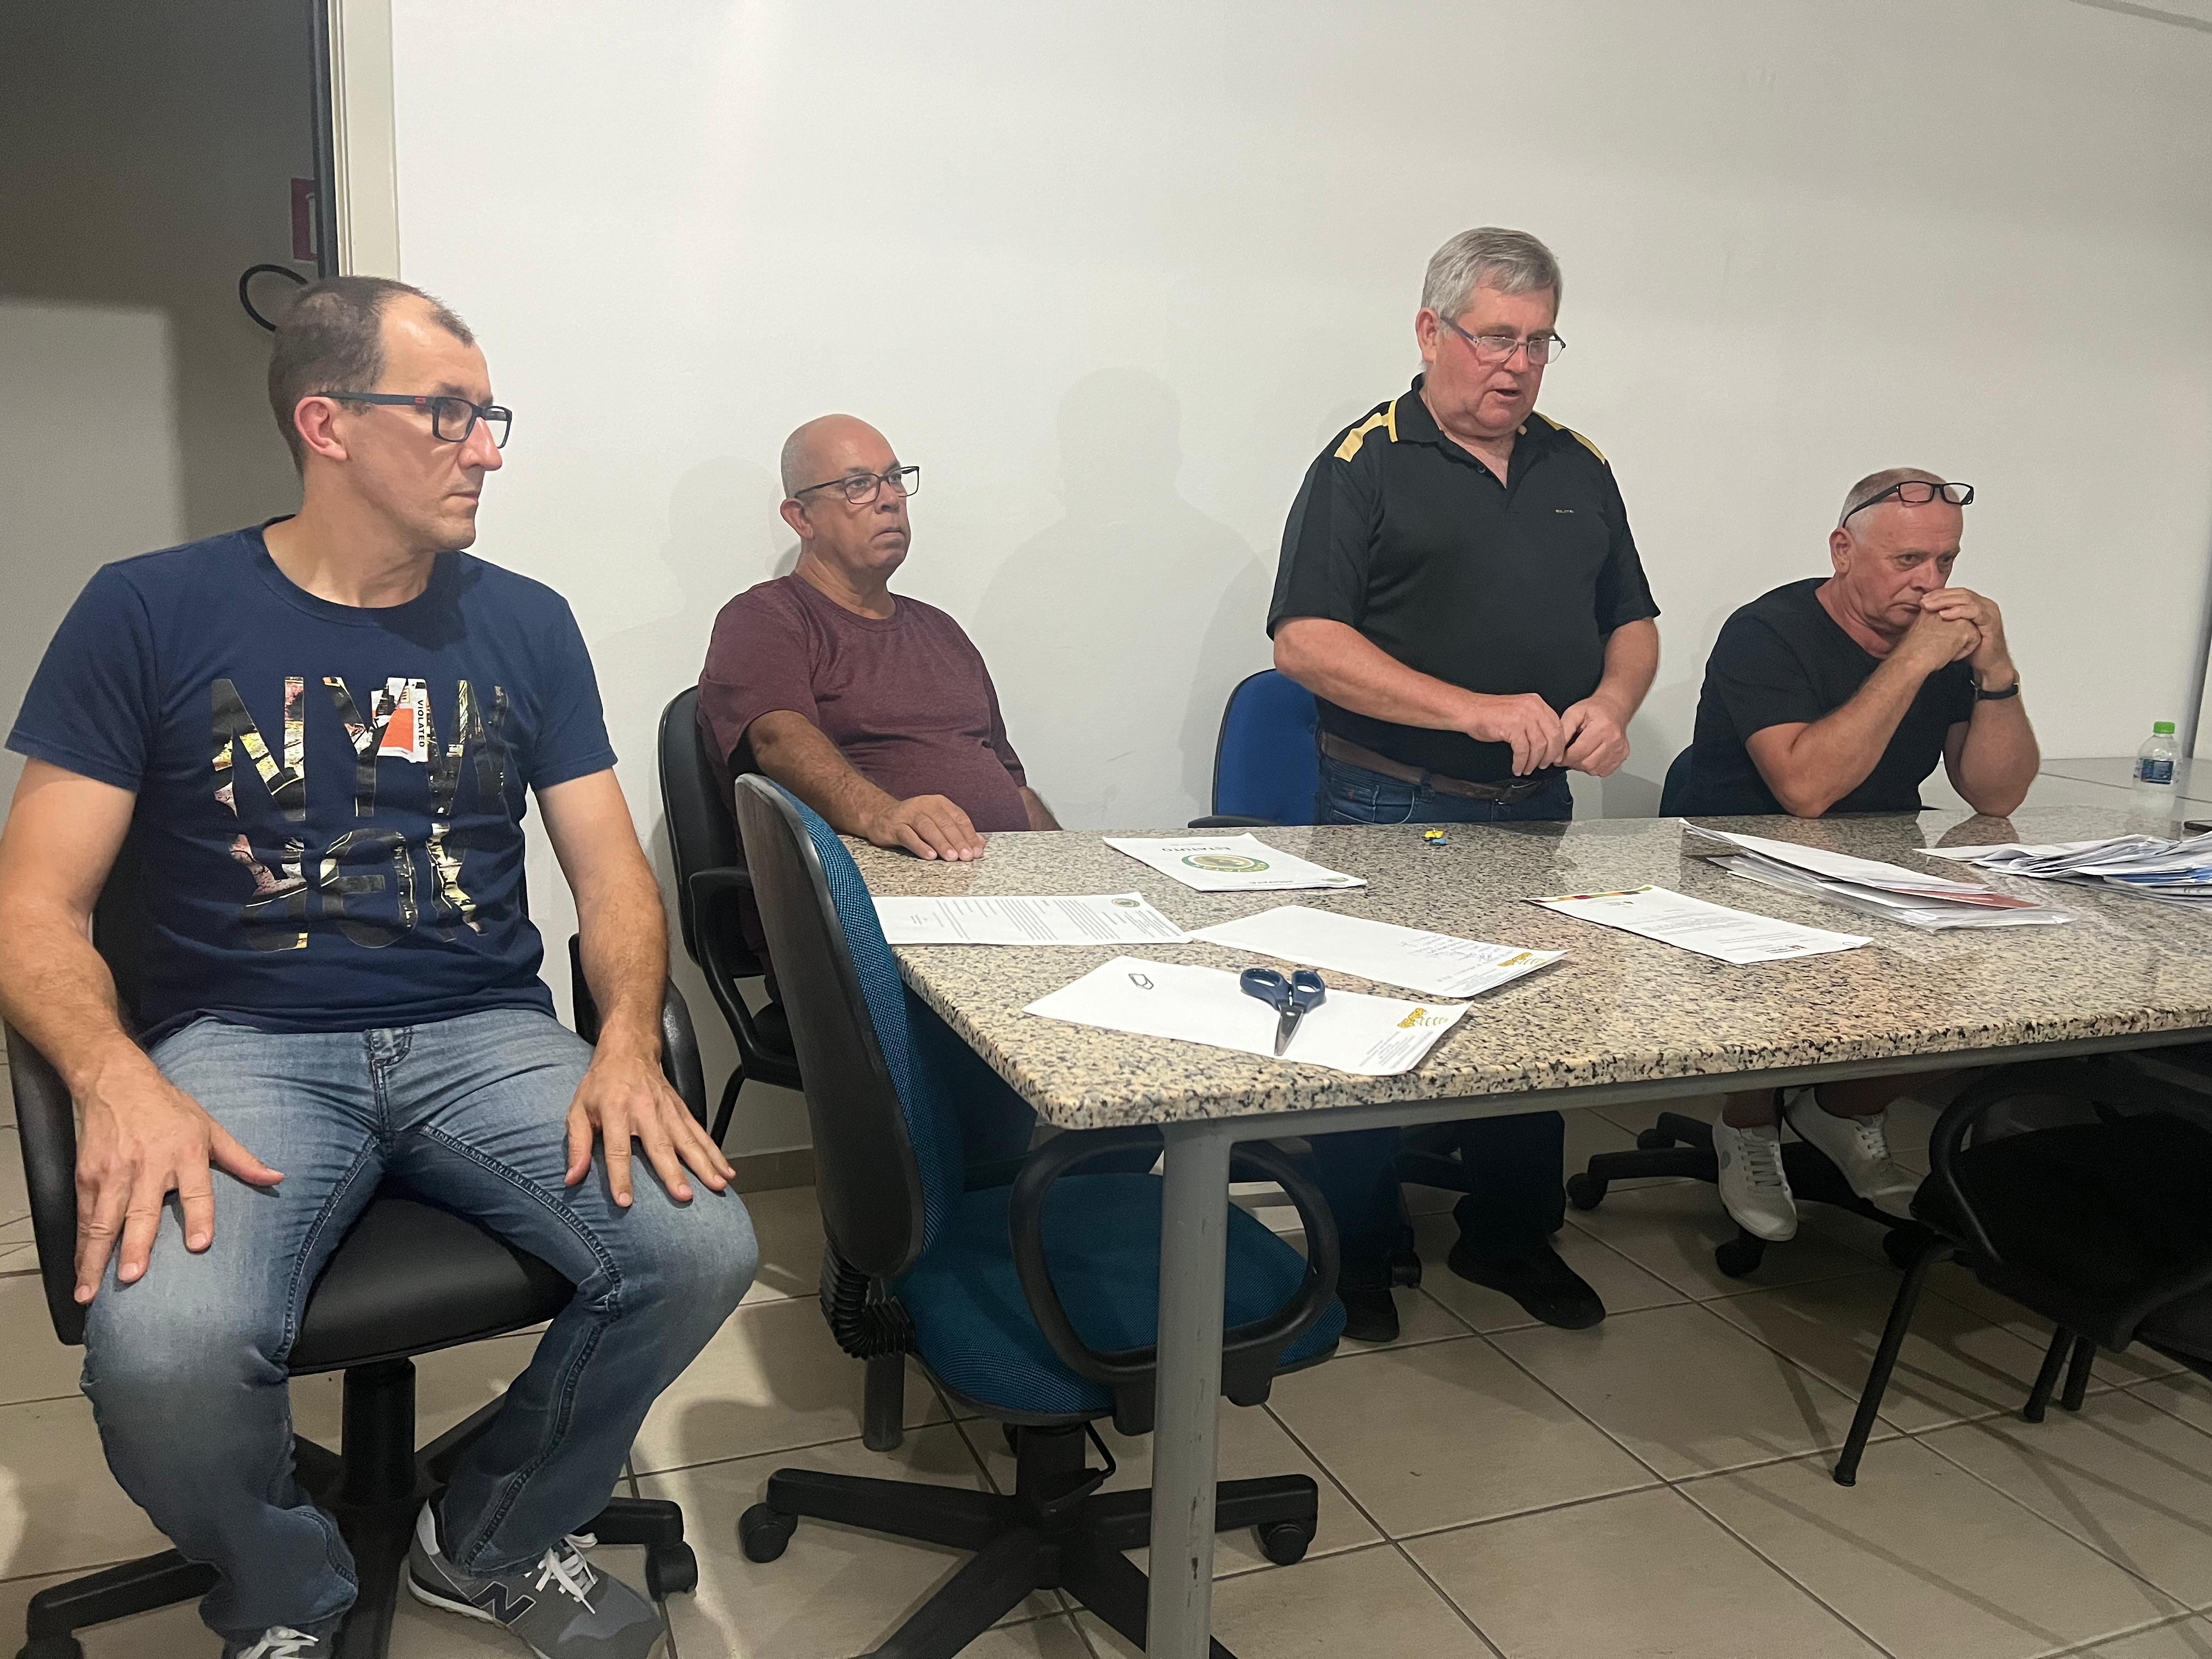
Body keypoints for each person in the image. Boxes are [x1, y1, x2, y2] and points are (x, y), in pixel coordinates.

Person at [0, 276, 757, 1659]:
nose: (487, 451)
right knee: (167, 1355)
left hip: (482, 1032)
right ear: (327, 423)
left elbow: (611, 876)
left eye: (491, 416)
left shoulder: (525, 622)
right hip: (242, 1045)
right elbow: (34, 906)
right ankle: (286, 1594)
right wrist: (112, 1076)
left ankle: (492, 1536)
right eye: (450, 414)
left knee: (701, 1247)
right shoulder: (149, 610)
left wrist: (627, 1041)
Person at [1268, 227, 1661, 1340]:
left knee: (1530, 1021)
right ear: (1430, 331)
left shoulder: (1576, 464)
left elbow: (1631, 622)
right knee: (1370, 1028)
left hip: (1535, 807)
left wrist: (1613, 703)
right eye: (1495, 337)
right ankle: (1357, 1251)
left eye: (1538, 342)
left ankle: (1510, 1234)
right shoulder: (1364, 461)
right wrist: (1470, 709)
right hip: (1391, 799)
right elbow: (1304, 643)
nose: (1516, 364)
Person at [1682, 466, 2038, 1238]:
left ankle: (1843, 1110)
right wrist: (1911, 661)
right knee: (1783, 970)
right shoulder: (1767, 630)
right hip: (1740, 857)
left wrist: (1997, 672)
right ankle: (1746, 1124)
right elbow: (1806, 790)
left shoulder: (1942, 641)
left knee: (2001, 980)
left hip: (1879, 857)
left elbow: (1996, 794)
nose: (1930, 582)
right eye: (1907, 560)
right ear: (1843, 550)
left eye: (1945, 561)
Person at [697, 414, 1057, 865]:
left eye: (894, 479)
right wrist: (884, 814)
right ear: (802, 518)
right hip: (876, 886)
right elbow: (779, 741)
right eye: (859, 485)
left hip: (1000, 877)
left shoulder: (942, 631)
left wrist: (1068, 867)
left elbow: (1013, 786)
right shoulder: (765, 618)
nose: (889, 499)